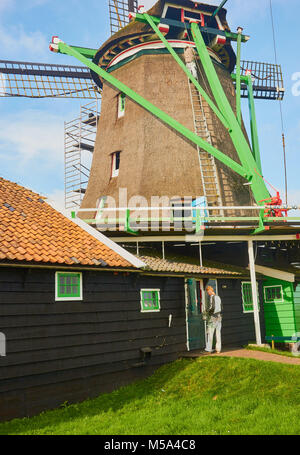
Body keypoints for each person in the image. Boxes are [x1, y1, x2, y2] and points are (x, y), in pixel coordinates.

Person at [203, 286, 222, 354]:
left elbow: (212, 307)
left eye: (208, 291)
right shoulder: (218, 297)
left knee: (210, 333)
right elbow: (221, 307)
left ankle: (209, 349)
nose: (208, 293)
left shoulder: (212, 297)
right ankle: (218, 349)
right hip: (219, 317)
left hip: (213, 317)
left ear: (210, 290)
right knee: (218, 333)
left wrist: (207, 312)